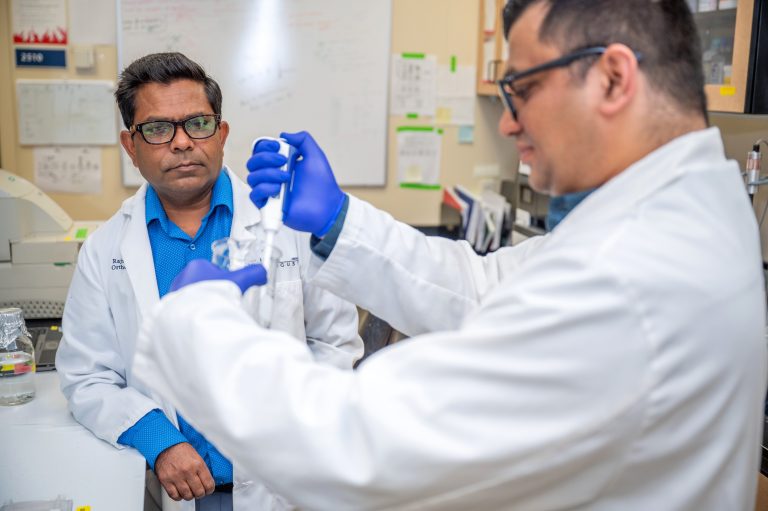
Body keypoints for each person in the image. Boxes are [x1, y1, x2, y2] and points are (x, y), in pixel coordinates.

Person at [131, 2, 767, 509]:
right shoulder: (681, 206)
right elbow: (484, 285)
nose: (509, 121)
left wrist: (197, 318)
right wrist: (338, 220)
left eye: (519, 88)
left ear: (613, 76)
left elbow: (356, 447)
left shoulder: (630, 275)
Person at [55, 52, 363, 511]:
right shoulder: (107, 250)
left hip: (284, 482)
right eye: (158, 129)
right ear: (130, 145)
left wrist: (297, 424)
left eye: (197, 123)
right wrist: (160, 441)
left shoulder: (288, 226)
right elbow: (86, 376)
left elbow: (336, 344)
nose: (181, 143)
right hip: (178, 491)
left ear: (221, 134)